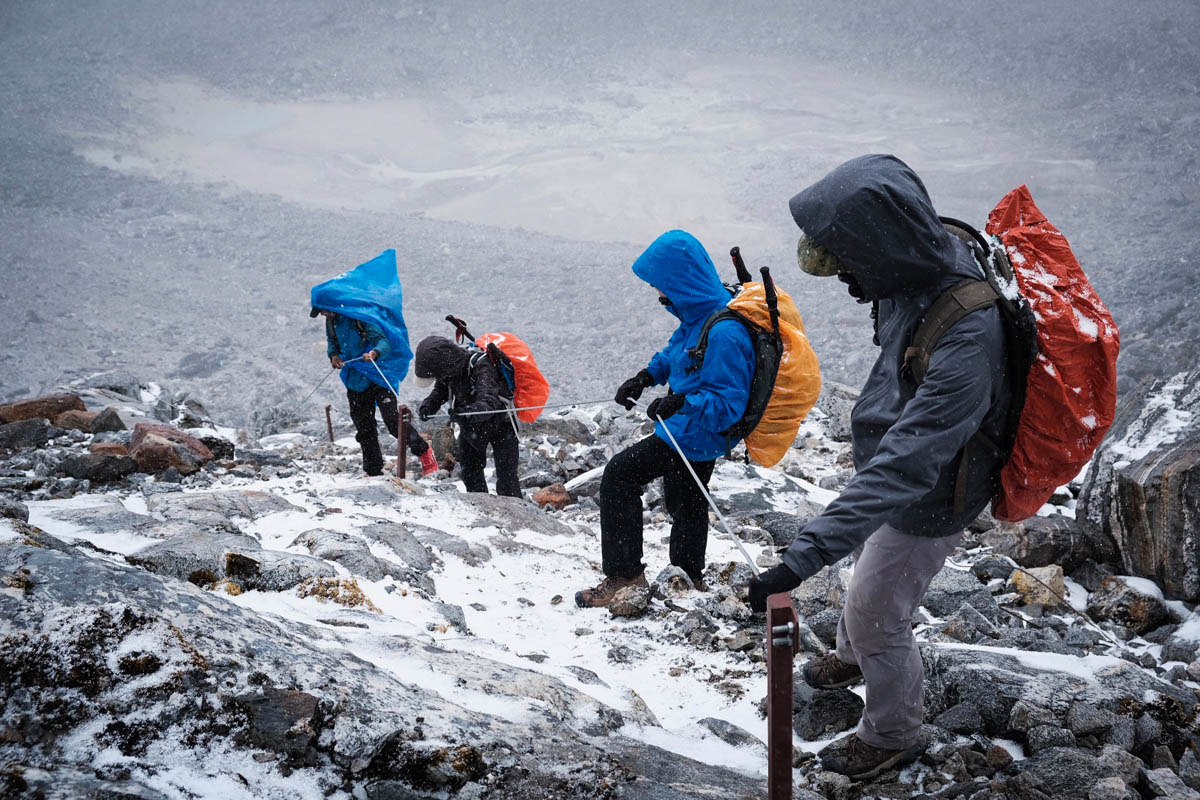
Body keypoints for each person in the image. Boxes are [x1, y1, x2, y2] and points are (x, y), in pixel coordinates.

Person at [746, 154, 1015, 780]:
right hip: (897, 466)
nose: (845, 281)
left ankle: (892, 731)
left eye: (850, 266)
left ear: (882, 251)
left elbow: (908, 464)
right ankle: (853, 654)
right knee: (867, 566)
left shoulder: (969, 333)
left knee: (876, 607)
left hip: (936, 492)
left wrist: (801, 559)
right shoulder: (917, 262)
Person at [575, 230, 754, 608]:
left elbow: (728, 405)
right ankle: (687, 579)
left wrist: (681, 403)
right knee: (686, 499)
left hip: (696, 434)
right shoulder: (700, 313)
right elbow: (676, 353)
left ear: (681, 283)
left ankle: (625, 577)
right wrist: (645, 377)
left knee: (620, 476)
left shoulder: (725, 331)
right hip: (688, 429)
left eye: (662, 286)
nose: (659, 296)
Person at [313, 307, 438, 478]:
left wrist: (374, 352)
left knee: (394, 421)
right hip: (355, 379)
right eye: (321, 313)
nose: (323, 315)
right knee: (364, 427)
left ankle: (424, 452)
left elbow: (383, 341)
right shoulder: (331, 322)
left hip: (379, 375)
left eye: (324, 311)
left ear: (333, 305)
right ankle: (373, 470)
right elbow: (332, 343)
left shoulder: (360, 317)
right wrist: (333, 355)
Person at [413, 336, 521, 498]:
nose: (438, 379)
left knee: (507, 478)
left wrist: (467, 413)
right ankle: (480, 507)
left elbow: (489, 401)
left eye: (436, 375)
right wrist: (429, 406)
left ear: (443, 367)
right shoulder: (449, 371)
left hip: (502, 424)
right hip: (472, 427)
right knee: (470, 472)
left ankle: (516, 514)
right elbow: (440, 391)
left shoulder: (482, 366)